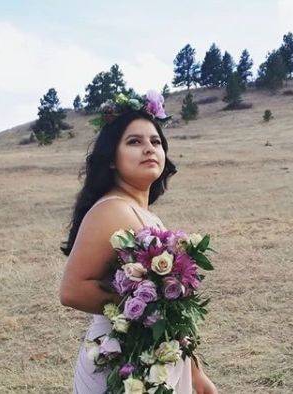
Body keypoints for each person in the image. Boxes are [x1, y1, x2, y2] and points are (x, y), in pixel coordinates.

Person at [59, 98, 218, 393]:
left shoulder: (147, 215)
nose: (149, 148)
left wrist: (197, 375)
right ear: (111, 158)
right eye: (134, 141)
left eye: (156, 141)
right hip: (120, 362)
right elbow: (72, 290)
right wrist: (149, 304)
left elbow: (173, 315)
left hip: (154, 356)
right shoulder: (111, 209)